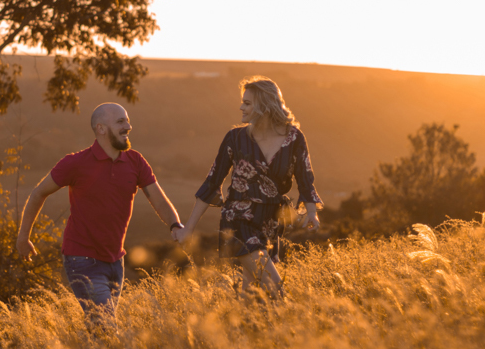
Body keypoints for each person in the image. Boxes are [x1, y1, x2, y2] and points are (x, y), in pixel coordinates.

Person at [17, 102, 183, 323]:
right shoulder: (75, 163)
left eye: (127, 121)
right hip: (82, 259)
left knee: (100, 332)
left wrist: (175, 225)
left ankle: (78, 346)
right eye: (120, 121)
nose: (128, 126)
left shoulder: (136, 162)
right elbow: (38, 193)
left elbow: (159, 200)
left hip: (116, 261)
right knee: (105, 326)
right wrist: (23, 236)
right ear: (101, 129)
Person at [173, 76, 322, 296]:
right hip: (238, 220)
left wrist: (311, 212)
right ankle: (290, 316)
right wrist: (189, 229)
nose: (241, 107)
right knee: (275, 291)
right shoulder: (235, 138)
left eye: (247, 103)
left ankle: (242, 319)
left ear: (264, 106)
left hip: (270, 223)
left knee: (253, 295)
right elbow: (212, 182)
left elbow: (305, 177)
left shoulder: (294, 138)